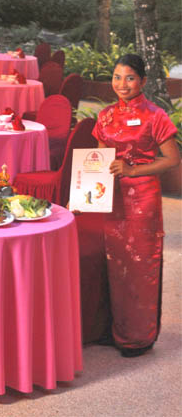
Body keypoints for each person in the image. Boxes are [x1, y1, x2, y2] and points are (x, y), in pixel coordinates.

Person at [92, 53, 180, 357]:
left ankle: (138, 337)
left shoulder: (156, 115)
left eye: (129, 78)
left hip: (142, 199)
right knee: (114, 262)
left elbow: (172, 160)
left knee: (141, 264)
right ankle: (116, 330)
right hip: (112, 198)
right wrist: (84, 193)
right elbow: (99, 160)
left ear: (142, 81)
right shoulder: (105, 115)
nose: (122, 84)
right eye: (117, 77)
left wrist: (132, 170)